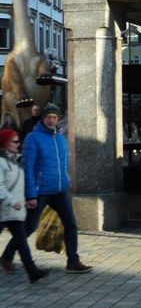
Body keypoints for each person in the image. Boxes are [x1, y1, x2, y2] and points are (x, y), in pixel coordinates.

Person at [0, 103, 92, 273]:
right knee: (29, 227)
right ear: (43, 118)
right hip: (40, 191)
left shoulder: (60, 139)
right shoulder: (33, 138)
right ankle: (7, 256)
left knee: (71, 224)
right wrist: (31, 194)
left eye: (55, 117)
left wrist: (66, 180)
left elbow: (63, 164)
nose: (52, 120)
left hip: (59, 190)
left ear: (58, 119)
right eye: (48, 117)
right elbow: (28, 166)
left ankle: (73, 261)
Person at [0, 129, 50, 282]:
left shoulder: (14, 161)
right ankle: (31, 270)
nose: (18, 144)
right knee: (21, 241)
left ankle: (32, 271)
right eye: (14, 141)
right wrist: (12, 201)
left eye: (18, 141)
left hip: (14, 211)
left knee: (22, 242)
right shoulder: (1, 163)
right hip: (4, 209)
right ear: (5, 144)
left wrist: (26, 199)